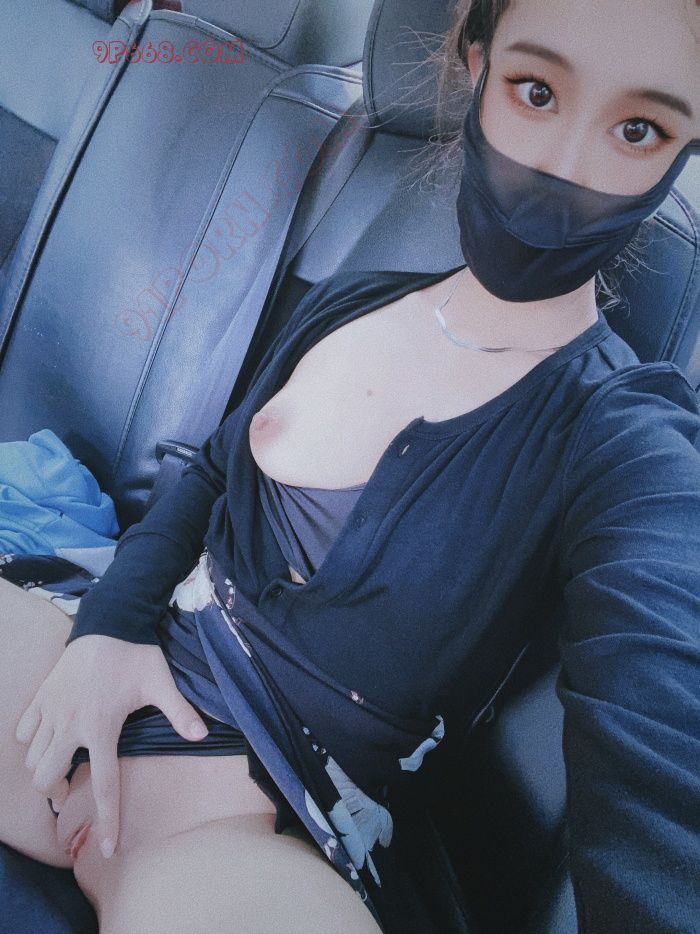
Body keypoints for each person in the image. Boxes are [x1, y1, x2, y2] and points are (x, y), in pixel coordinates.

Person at [1, 0, 699, 931]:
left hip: (246, 837)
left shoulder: (624, 434)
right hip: (94, 666)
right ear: (477, 67)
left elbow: (664, 747)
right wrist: (107, 631)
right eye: (536, 91)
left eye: (639, 129)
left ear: (680, 154)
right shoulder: (358, 299)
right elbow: (210, 475)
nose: (564, 170)